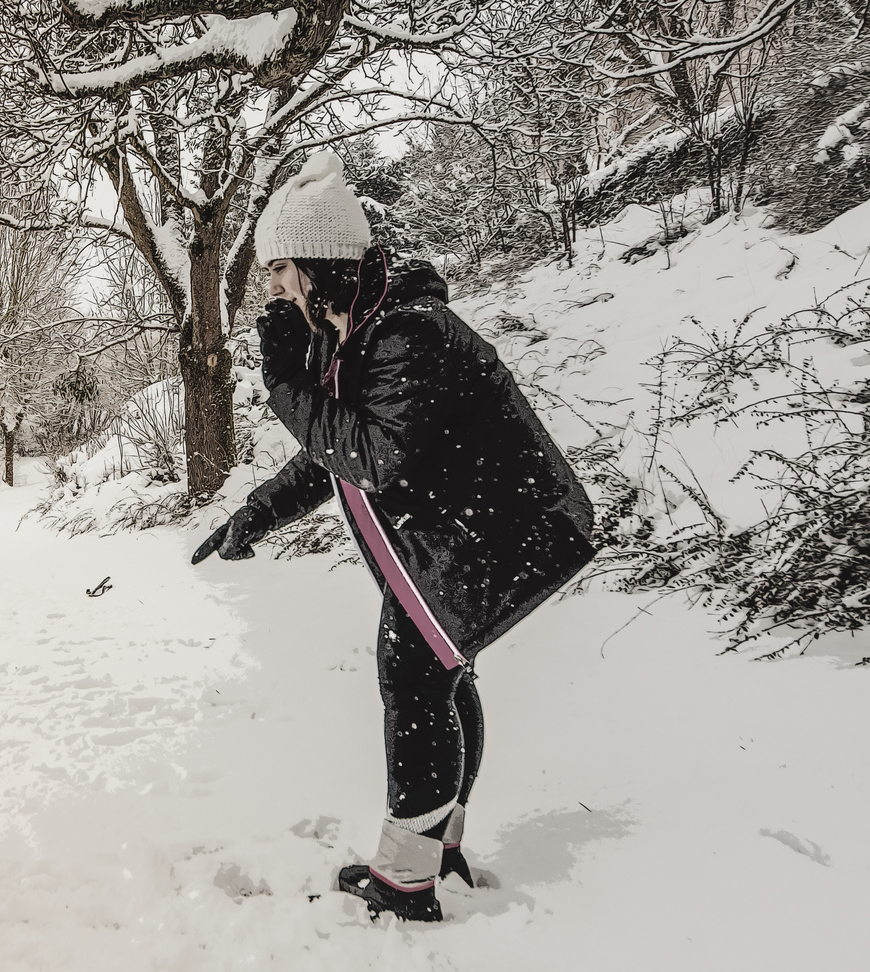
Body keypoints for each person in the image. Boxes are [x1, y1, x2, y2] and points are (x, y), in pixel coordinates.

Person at [192, 151, 596, 922]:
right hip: (462, 535)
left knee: (413, 678)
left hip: (500, 529)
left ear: (316, 263)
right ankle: (435, 852)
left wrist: (285, 389)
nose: (272, 287)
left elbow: (372, 457)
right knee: (438, 676)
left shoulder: (408, 332)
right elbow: (331, 452)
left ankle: (408, 883)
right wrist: (255, 514)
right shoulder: (355, 332)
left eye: (279, 268)